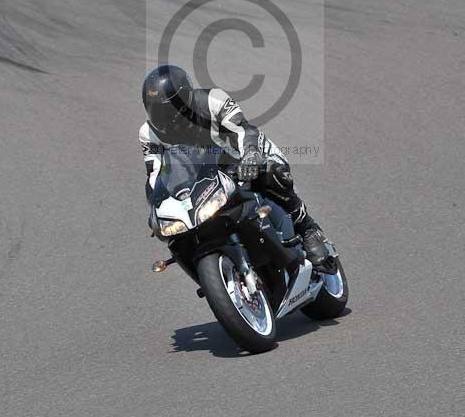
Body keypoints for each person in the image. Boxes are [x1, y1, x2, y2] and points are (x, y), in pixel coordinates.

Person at [139, 64, 331, 267]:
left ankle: (307, 228)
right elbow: (156, 173)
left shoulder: (213, 101)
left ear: (185, 101)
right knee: (181, 229)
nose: (164, 118)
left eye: (169, 110)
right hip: (206, 180)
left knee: (270, 174)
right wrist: (156, 206)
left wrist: (250, 156)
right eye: (156, 111)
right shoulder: (148, 133)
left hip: (247, 158)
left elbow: (243, 130)